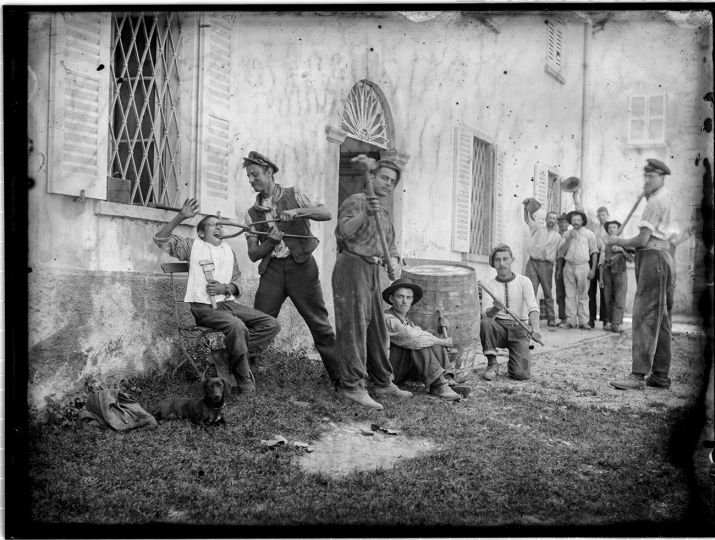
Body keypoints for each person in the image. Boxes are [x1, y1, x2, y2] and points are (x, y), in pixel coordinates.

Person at [154, 198, 281, 393]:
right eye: (213, 225)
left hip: (229, 304)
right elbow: (160, 239)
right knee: (238, 327)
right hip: (203, 307)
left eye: (220, 225)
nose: (219, 228)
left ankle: (225, 357)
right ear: (202, 233)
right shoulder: (192, 247)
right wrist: (181, 216)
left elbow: (237, 282)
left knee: (271, 324)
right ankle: (244, 380)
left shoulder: (228, 251)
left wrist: (225, 288)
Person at [242, 151, 340, 389]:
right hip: (272, 271)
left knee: (319, 323)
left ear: (269, 172)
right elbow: (253, 254)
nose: (251, 180)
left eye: (255, 174)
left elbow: (326, 213)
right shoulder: (251, 213)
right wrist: (271, 242)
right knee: (259, 324)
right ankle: (242, 378)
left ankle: (343, 379)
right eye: (248, 176)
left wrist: (297, 212)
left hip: (302, 267)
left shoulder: (296, 193)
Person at [332, 155, 412, 409]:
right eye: (384, 178)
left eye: (393, 181)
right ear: (373, 177)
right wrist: (365, 213)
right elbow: (342, 232)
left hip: (372, 270)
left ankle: (382, 381)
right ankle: (353, 386)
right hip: (352, 266)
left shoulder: (385, 212)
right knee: (354, 325)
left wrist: (395, 262)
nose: (388, 184)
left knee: (376, 327)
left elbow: (391, 245)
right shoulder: (357, 201)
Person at [610, 159, 681, 390]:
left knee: (643, 316)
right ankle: (660, 376)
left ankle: (637, 375)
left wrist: (618, 240)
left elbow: (642, 240)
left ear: (661, 177)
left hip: (654, 261)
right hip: (665, 259)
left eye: (651, 177)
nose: (647, 181)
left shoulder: (656, 202)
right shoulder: (666, 199)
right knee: (661, 320)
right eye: (646, 176)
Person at [382, 278, 464, 401]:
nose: (405, 301)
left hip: (404, 370)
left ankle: (446, 378)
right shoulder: (388, 319)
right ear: (391, 299)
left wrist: (438, 333)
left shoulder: (406, 320)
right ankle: (438, 385)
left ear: (412, 300)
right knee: (418, 342)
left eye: (408, 298)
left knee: (429, 335)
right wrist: (441, 341)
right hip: (389, 371)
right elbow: (413, 338)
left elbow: (421, 333)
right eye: (400, 297)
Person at [479, 244, 541, 381]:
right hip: (499, 328)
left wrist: (535, 329)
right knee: (485, 323)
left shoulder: (524, 281)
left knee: (521, 374)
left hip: (520, 330)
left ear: (512, 260)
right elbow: (486, 315)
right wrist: (495, 308)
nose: (502, 264)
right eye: (497, 260)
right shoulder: (489, 285)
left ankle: (515, 360)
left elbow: (533, 307)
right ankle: (492, 364)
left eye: (505, 259)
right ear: (493, 264)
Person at [556, 208, 598, 330]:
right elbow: (561, 252)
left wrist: (593, 270)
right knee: (569, 295)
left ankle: (584, 321)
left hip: (583, 266)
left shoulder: (589, 234)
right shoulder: (567, 234)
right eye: (573, 220)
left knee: (583, 295)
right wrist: (570, 238)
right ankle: (571, 321)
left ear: (582, 221)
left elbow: (594, 252)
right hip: (568, 266)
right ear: (571, 221)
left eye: (578, 220)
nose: (575, 222)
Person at [522, 200, 561, 327]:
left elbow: (560, 253)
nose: (551, 220)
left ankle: (551, 318)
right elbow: (527, 220)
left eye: (554, 218)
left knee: (547, 291)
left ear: (556, 221)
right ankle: (529, 318)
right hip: (533, 262)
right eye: (550, 217)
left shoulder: (558, 236)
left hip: (547, 265)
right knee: (530, 290)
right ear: (546, 218)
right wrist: (525, 208)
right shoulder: (538, 228)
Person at [574, 192, 610, 328]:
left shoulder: (612, 228)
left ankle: (606, 320)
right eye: (599, 215)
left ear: (607, 215)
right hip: (592, 258)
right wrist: (576, 198)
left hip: (605, 260)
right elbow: (581, 212)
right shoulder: (593, 226)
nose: (601, 217)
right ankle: (590, 319)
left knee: (604, 291)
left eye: (604, 215)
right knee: (590, 291)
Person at [598, 220, 634, 333]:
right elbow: (601, 262)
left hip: (620, 273)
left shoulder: (624, 243)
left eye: (614, 227)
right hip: (607, 273)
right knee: (608, 299)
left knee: (619, 298)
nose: (611, 229)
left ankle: (617, 324)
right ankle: (610, 322)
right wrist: (601, 278)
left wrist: (621, 250)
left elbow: (631, 259)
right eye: (609, 228)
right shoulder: (605, 243)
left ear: (618, 229)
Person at [555, 213, 570, 324]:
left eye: (565, 222)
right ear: (558, 223)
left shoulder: (571, 235)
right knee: (560, 292)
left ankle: (572, 317)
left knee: (570, 292)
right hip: (558, 264)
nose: (563, 224)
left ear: (568, 223)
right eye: (561, 222)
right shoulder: (555, 235)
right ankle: (563, 317)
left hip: (569, 263)